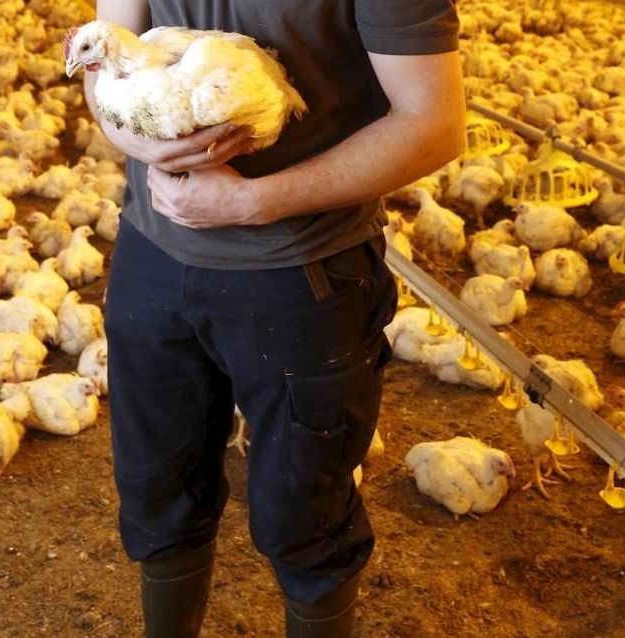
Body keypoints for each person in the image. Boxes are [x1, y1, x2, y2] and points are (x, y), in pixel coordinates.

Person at [83, 2, 465, 636]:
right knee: (158, 495)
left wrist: (254, 201)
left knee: (303, 518)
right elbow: (104, 55)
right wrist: (135, 137)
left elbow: (433, 122)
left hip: (302, 273)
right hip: (152, 255)